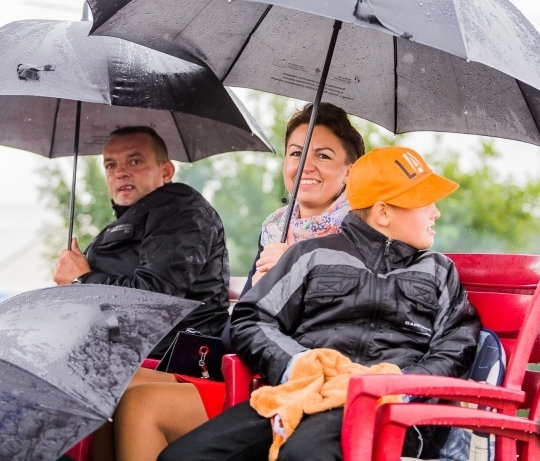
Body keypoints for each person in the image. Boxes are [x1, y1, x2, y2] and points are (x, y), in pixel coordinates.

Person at [157, 146, 482, 461]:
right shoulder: (309, 255)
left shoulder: (438, 271)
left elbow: (456, 346)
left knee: (305, 452)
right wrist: (296, 364)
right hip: (300, 395)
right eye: (424, 201)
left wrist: (400, 382)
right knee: (182, 455)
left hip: (389, 410)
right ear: (383, 211)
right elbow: (251, 319)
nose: (436, 211)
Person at [107, 103, 366, 461]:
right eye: (296, 153)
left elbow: (346, 332)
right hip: (238, 367)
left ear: (349, 171)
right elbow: (238, 328)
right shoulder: (276, 230)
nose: (305, 165)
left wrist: (293, 272)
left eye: (323, 155)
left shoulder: (361, 237)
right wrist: (261, 289)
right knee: (111, 386)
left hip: (290, 386)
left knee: (141, 405)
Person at [52, 125, 230, 359]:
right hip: (124, 355)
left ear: (166, 171)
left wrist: (82, 280)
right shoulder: (133, 220)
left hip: (174, 359)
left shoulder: (181, 211)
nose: (120, 172)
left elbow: (153, 299)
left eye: (134, 162)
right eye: (110, 165)